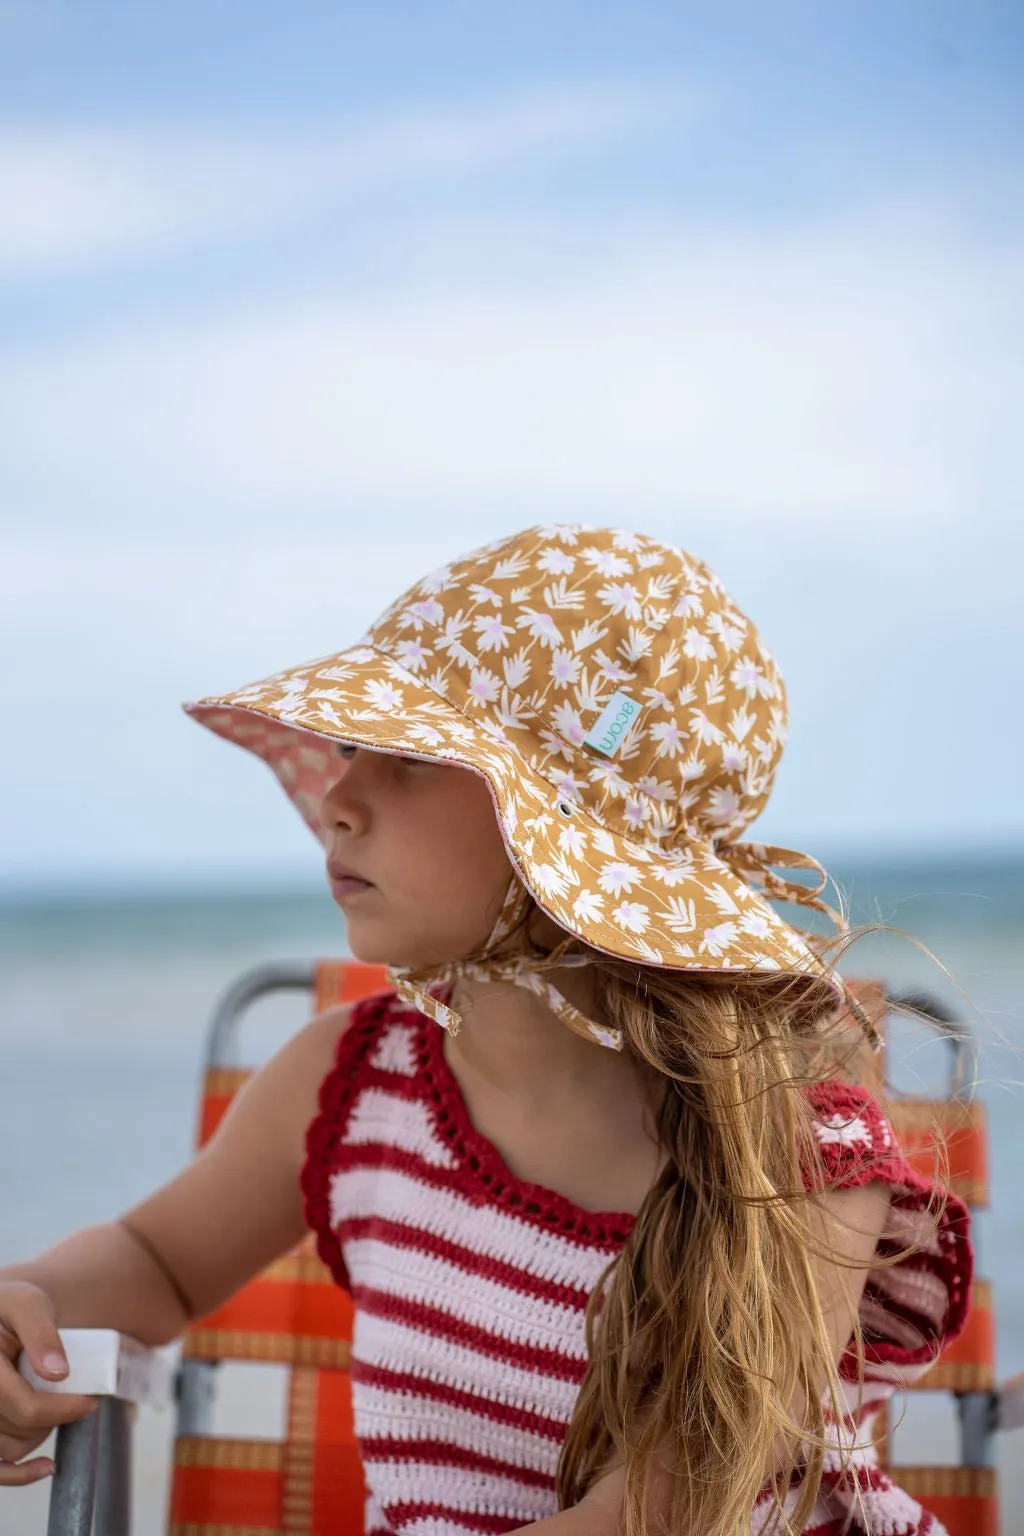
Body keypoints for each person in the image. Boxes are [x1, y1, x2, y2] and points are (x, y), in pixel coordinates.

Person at [0, 525, 972, 1535]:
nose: (337, 799)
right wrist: (23, 1305)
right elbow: (157, 1263)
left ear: (572, 824)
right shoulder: (351, 1077)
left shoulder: (791, 1151)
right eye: (347, 747)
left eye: (412, 758)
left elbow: (666, 1512)